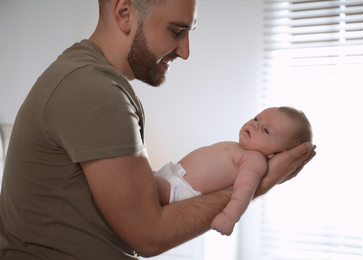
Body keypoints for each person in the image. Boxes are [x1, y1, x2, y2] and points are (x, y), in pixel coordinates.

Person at [0, 0, 316, 259]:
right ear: (124, 14)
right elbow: (149, 236)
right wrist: (261, 185)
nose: (185, 51)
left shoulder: (91, 78)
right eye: (177, 31)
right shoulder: (95, 90)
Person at [155, 106, 313, 235]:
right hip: (171, 178)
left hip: (178, 190)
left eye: (266, 131)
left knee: (137, 186)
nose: (254, 124)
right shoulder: (241, 150)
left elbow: (244, 192)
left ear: (277, 154)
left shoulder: (254, 161)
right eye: (257, 118)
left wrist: (229, 217)